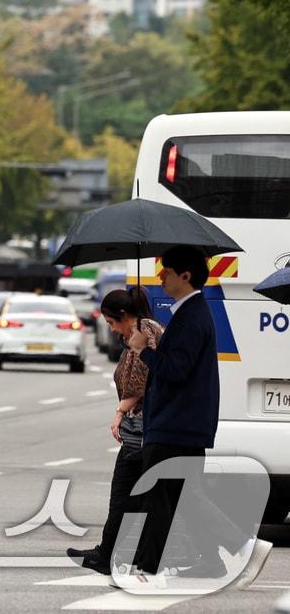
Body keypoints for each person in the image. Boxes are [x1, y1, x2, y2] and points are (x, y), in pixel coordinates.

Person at [116, 245, 272, 590]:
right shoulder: (190, 312)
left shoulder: (192, 315)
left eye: (167, 271)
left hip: (177, 424)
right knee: (181, 498)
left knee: (161, 496)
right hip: (180, 423)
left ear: (185, 276)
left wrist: (144, 351)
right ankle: (217, 561)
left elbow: (175, 370)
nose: (160, 277)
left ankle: (148, 570)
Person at [67, 288, 161, 575]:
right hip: (139, 429)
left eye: (111, 323)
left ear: (123, 315)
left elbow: (140, 382)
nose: (111, 329)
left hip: (145, 429)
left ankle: (118, 555)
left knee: (136, 496)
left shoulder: (144, 333)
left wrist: (119, 412)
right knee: (129, 496)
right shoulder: (139, 332)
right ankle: (110, 553)